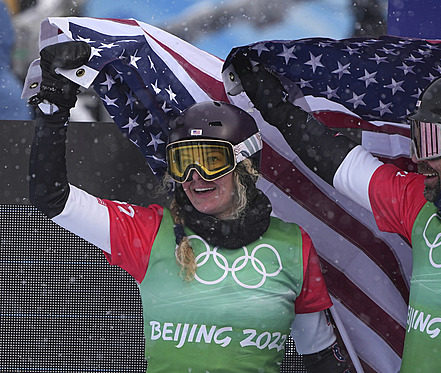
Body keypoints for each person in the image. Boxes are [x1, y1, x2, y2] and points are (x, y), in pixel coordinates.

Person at [27, 41, 351, 373]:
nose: (195, 178)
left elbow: (320, 357)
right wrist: (53, 108)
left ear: (245, 165)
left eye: (211, 161)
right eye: (183, 163)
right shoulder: (152, 232)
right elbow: (54, 199)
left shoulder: (293, 246)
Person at [227, 57, 441, 372]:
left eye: (430, 143)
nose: (416, 159)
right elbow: (337, 160)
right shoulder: (421, 204)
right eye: (416, 139)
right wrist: (276, 108)